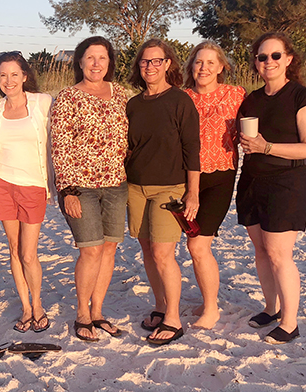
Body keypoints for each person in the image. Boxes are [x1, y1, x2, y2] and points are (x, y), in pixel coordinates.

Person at [237, 32, 306, 344]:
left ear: (288, 59)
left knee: (278, 254)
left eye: (275, 56)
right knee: (260, 250)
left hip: (287, 183)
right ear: (256, 63)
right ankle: (271, 308)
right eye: (262, 57)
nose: (268, 62)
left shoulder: (302, 97)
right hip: (251, 181)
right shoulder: (252, 99)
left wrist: (266, 146)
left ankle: (290, 322)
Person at [51, 36, 128, 341]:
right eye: (90, 58)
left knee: (108, 248)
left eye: (102, 58)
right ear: (80, 61)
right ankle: (82, 313)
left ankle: (98, 312)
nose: (96, 64)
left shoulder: (121, 94)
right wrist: (68, 189)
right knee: (91, 249)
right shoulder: (68, 97)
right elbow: (60, 144)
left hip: (116, 184)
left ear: (109, 63)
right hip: (80, 186)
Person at [126, 38, 200, 345]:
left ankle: (173, 319)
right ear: (138, 67)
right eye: (145, 62)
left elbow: (192, 149)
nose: (150, 67)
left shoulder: (180, 101)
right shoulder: (133, 104)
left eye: (157, 61)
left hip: (169, 189)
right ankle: (160, 306)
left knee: (163, 254)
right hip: (135, 188)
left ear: (168, 64)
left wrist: (192, 194)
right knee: (147, 252)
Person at [182, 41, 246, 329]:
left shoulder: (236, 95)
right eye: (198, 62)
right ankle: (208, 299)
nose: (203, 68)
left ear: (221, 67)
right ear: (191, 67)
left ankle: (212, 308)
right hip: (186, 179)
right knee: (191, 243)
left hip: (220, 176)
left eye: (210, 62)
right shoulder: (182, 98)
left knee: (198, 244)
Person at [0, 51, 54, 333]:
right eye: (3, 75)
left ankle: (38, 303)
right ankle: (26, 309)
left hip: (33, 186)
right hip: (1, 183)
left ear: (25, 76)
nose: (9, 80)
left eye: (14, 74)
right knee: (14, 251)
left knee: (29, 253)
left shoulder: (42, 103)